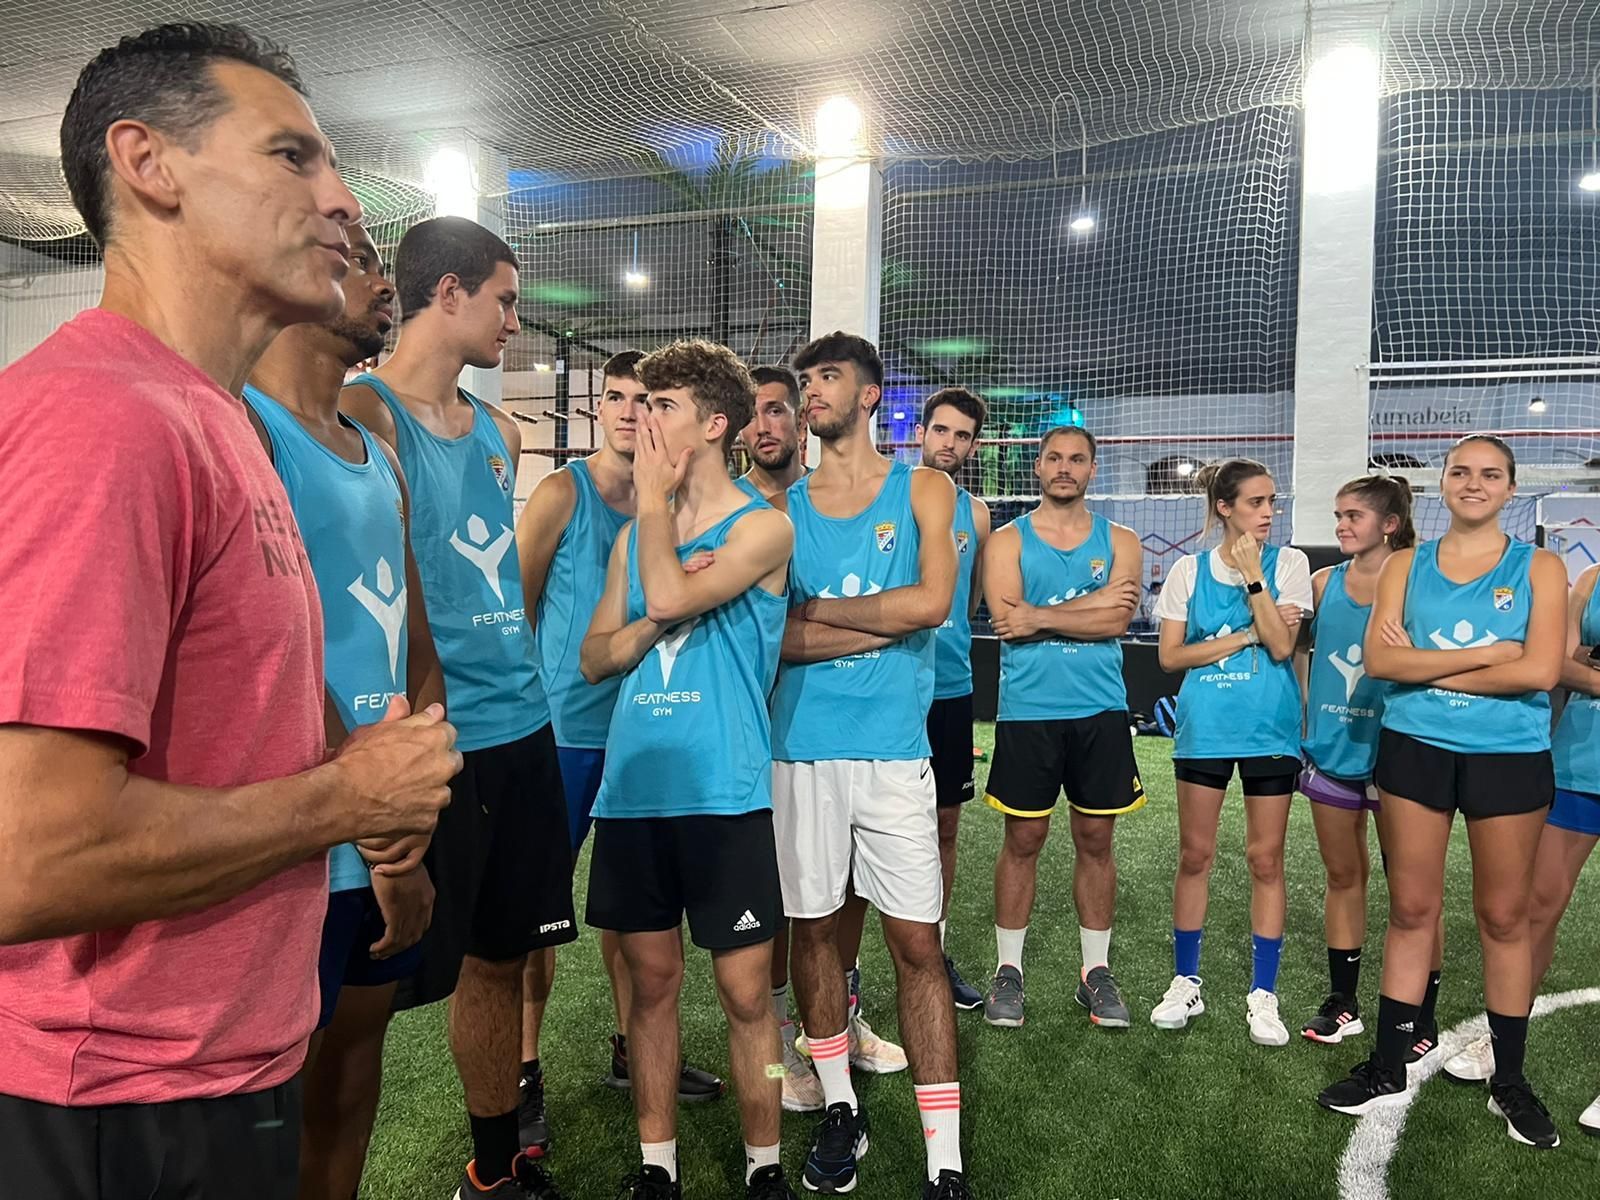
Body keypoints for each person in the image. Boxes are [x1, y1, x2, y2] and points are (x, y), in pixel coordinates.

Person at [0, 24, 457, 1198]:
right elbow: (28, 859)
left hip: (214, 1066)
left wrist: (364, 798)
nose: (343, 199)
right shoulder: (104, 420)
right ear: (148, 164)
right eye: (293, 157)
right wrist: (347, 797)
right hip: (114, 1104)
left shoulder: (210, 418)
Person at [341, 216, 575, 1200]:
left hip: (525, 729)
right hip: (434, 741)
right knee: (364, 997)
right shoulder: (364, 410)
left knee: (500, 955)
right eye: (506, 300)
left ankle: (492, 1167)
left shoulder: (502, 430)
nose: (516, 323)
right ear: (448, 293)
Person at [242, 221, 446, 1200]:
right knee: (262, 1113)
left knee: (349, 1077)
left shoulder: (377, 452)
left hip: (381, 837)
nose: (382, 281)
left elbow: (414, 639)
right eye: (361, 259)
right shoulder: (240, 426)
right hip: (292, 840)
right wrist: (378, 831)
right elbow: (267, 653)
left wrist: (405, 828)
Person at [580, 339, 797, 1200]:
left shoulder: (764, 526)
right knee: (651, 993)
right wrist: (646, 621)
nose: (640, 416)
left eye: (662, 405)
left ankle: (766, 1164)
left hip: (725, 793)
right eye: (639, 403)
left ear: (714, 424)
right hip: (633, 796)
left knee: (750, 999)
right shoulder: (636, 537)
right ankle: (656, 1168)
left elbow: (667, 595)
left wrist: (659, 537)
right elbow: (597, 656)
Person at [1317, 436, 1565, 1151]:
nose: (1474, 483)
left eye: (1490, 474)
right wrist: (1490, 654)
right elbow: (1383, 660)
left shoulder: (1539, 566)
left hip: (1508, 757)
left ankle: (1509, 1080)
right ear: (1441, 484)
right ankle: (1387, 1065)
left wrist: (1427, 669)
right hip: (1416, 750)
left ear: (1510, 489)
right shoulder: (1404, 563)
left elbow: (1542, 670)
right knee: (1412, 909)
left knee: (1503, 917)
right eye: (1461, 471)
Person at [770, 332, 972, 1199]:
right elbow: (774, 638)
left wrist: (828, 613)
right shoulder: (781, 509)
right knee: (813, 931)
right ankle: (840, 1106)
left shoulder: (927, 486)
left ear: (869, 394)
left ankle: (944, 1157)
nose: (811, 391)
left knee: (917, 946)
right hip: (800, 751)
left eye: (828, 377)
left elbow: (933, 604)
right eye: (805, 377)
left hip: (894, 754)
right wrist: (876, 620)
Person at [513, 350, 723, 1153]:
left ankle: (633, 1051)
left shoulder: (673, 508)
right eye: (618, 396)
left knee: (634, 914)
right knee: (536, 912)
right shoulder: (564, 492)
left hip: (644, 734)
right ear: (601, 407)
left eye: (649, 399)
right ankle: (525, 1068)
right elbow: (519, 610)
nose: (632, 412)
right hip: (563, 735)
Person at [981, 427, 1143, 1030]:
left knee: (1096, 842)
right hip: (1029, 712)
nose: (1065, 468)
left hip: (1099, 710)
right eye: (1054, 458)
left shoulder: (1121, 539)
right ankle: (1009, 971)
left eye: (1077, 459)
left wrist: (1042, 616)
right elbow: (1006, 621)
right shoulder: (1006, 541)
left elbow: (1119, 619)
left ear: (1093, 469)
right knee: (1022, 842)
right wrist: (1090, 607)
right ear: (1038, 467)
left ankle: (1094, 973)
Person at [1150, 459, 1310, 1046]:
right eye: (1256, 502)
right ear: (1225, 507)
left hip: (1270, 731)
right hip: (1206, 729)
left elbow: (1281, 644)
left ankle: (1263, 994)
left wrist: (1253, 582)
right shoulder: (1186, 571)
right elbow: (1170, 657)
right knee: (1195, 855)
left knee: (1266, 860)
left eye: (1273, 502)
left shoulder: (1289, 563)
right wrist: (1243, 632)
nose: (1269, 512)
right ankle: (1185, 981)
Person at [1439, 558, 1600, 1137]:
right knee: (1538, 905)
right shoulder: (1590, 578)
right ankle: (1503, 1040)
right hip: (1583, 758)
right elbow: (1554, 662)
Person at [1296, 478, 1444, 1059]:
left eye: (1353, 515)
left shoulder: (1416, 584)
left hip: (1398, 755)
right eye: (1337, 515)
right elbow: (1303, 654)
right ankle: (1343, 1002)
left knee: (1415, 894)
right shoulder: (1323, 582)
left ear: (1388, 523)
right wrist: (1310, 721)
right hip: (1331, 753)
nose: (1340, 525)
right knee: (1343, 877)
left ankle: (1421, 1017)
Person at [736, 363, 828, 1115]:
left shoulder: (825, 507)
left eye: (777, 411)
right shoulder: (724, 508)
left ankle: (828, 1025)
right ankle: (776, 1052)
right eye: (753, 412)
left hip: (820, 733)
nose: (764, 425)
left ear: (801, 422)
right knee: (761, 904)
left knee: (821, 900)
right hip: (741, 738)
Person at [916, 389, 992, 1012]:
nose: (949, 442)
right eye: (940, 429)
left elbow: (964, 606)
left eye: (961, 435)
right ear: (921, 432)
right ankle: (854, 964)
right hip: (890, 689)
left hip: (950, 688)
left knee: (945, 824)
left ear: (972, 445)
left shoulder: (979, 514)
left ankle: (934, 947)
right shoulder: (889, 495)